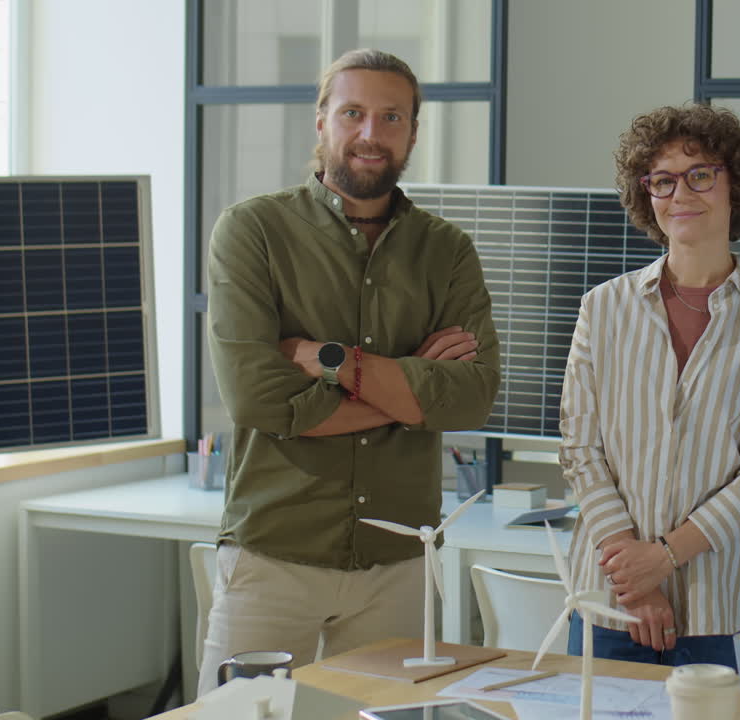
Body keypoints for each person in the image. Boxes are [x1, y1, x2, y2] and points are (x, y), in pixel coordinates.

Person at [200, 48, 500, 697]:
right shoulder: (252, 232)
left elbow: (471, 399)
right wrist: (412, 390)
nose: (371, 133)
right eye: (353, 113)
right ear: (321, 122)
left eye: (391, 117)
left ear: (413, 133)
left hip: (399, 567)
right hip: (273, 558)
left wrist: (329, 361)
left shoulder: (447, 251)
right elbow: (258, 400)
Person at [558, 103, 740, 669]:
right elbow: (580, 449)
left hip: (718, 608)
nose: (681, 194)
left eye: (700, 174)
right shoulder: (602, 309)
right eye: (663, 180)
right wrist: (637, 578)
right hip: (610, 602)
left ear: (735, 185)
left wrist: (665, 558)